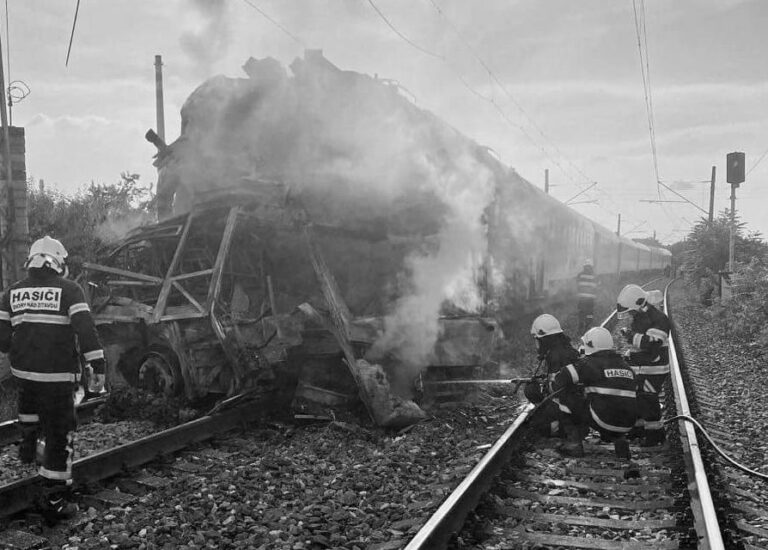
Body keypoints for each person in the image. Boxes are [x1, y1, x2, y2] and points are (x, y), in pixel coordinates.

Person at [0, 236, 106, 521]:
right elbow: (86, 332)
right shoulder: (70, 290)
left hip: (23, 375)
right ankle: (55, 498)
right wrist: (98, 366)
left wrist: (23, 344)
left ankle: (27, 450)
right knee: (60, 433)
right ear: (58, 261)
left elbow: (2, 340)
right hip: (57, 378)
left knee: (30, 412)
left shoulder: (11, 293)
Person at [551, 326, 640, 479]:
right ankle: (620, 443)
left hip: (604, 420)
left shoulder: (589, 363)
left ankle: (573, 444)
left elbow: (561, 379)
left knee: (568, 397)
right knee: (610, 403)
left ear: (591, 345)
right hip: (627, 424)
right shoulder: (627, 367)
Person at [617, 283, 671, 446]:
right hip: (643, 367)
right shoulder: (641, 317)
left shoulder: (659, 319)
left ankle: (655, 435)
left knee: (648, 400)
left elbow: (652, 343)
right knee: (637, 399)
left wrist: (631, 336)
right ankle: (638, 430)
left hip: (654, 369)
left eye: (631, 311)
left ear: (639, 304)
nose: (631, 315)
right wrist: (631, 353)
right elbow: (642, 344)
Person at [526, 314, 583, 438]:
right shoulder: (564, 350)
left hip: (569, 407)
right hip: (575, 405)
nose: (536, 343)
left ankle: (562, 430)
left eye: (537, 339)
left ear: (544, 340)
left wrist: (538, 388)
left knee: (536, 425)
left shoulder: (556, 357)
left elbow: (558, 388)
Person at [575, 259, 597, 335]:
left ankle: (580, 328)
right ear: (591, 266)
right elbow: (596, 287)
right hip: (590, 299)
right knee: (590, 313)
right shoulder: (594, 276)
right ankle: (587, 328)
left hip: (582, 298)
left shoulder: (580, 274)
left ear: (584, 266)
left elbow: (577, 284)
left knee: (581, 312)